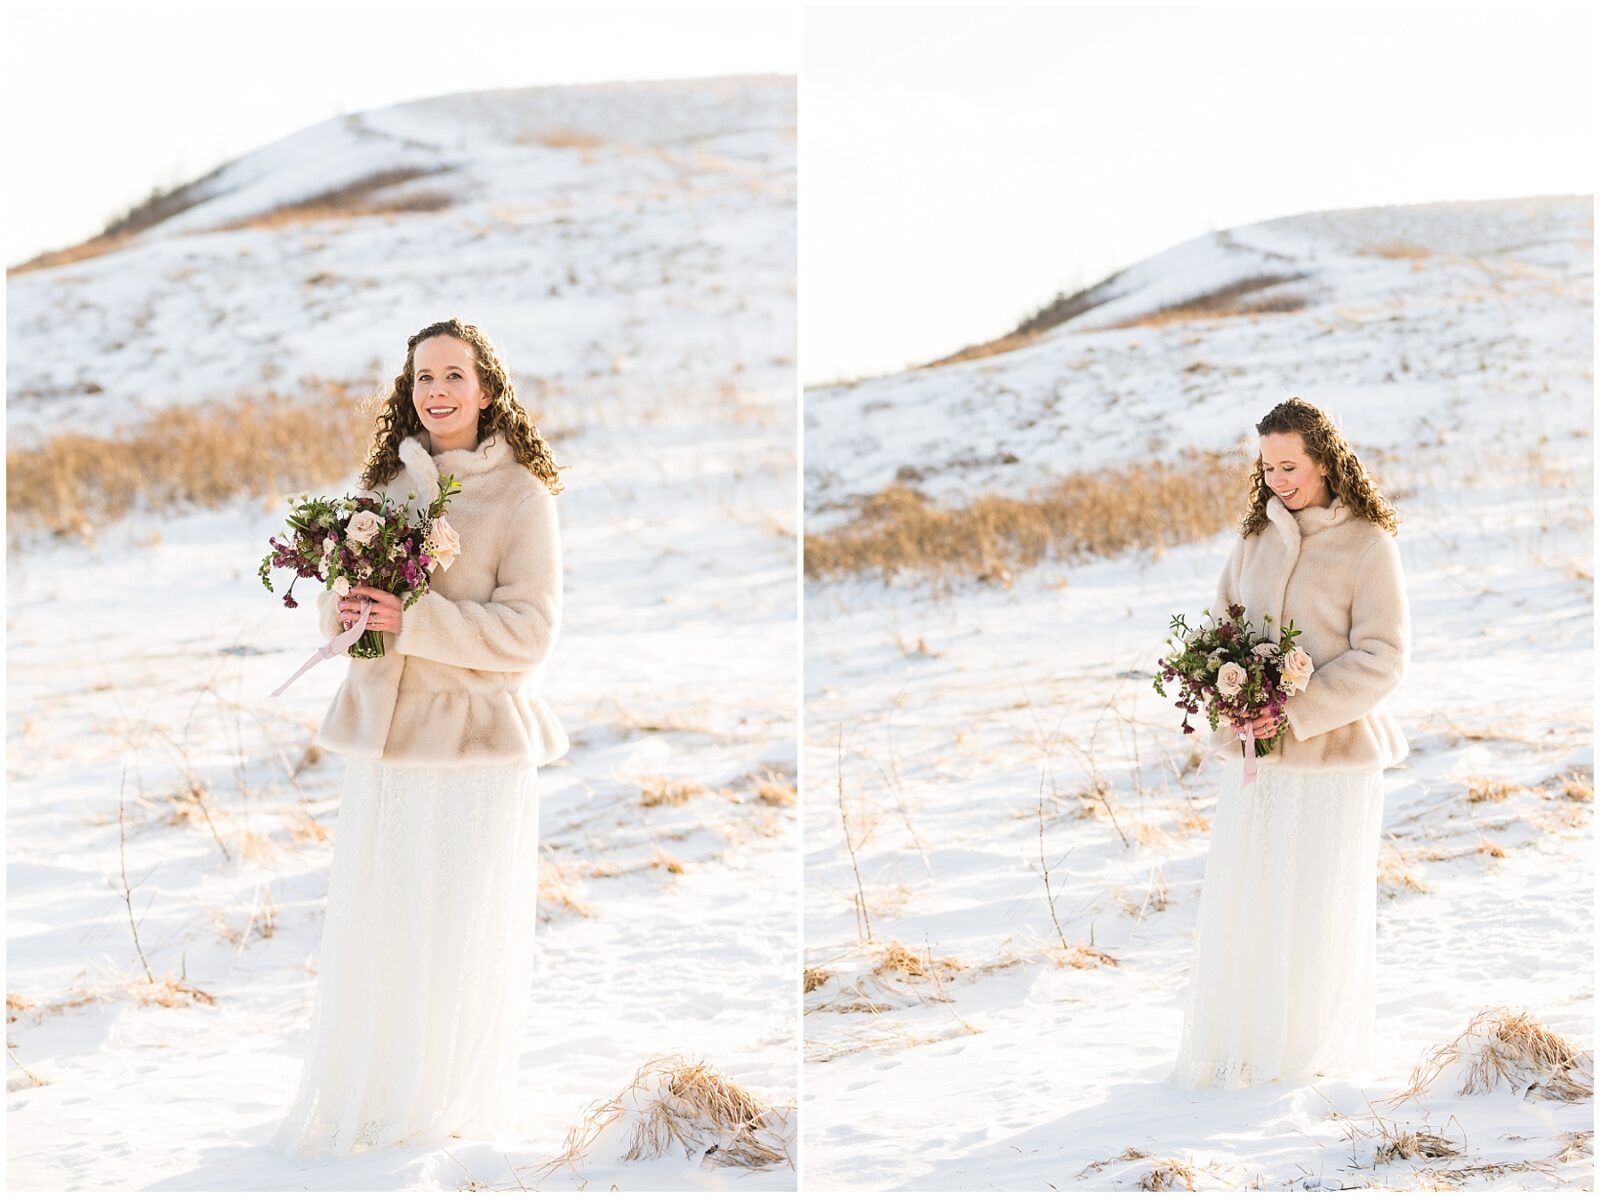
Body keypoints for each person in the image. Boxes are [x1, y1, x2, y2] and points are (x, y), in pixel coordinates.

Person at [271, 318, 569, 1155]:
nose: (435, 391)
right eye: (422, 378)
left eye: (452, 375)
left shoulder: (522, 499)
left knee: (454, 930)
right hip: (387, 747)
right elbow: (342, 616)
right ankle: (373, 1101)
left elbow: (530, 634)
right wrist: (351, 611)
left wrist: (418, 617)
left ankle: (438, 1115)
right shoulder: (381, 490)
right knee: (380, 923)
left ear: (485, 389)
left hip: (474, 748)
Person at [1171, 396, 1410, 1089]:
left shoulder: (1369, 544)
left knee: (1314, 906)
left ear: (1325, 461)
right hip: (1258, 765)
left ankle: (1305, 1056)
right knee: (1254, 900)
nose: (1278, 479)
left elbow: (1384, 657)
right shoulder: (1252, 541)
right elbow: (1219, 637)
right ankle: (1248, 1045)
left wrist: (1293, 711)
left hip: (1332, 761)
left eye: (1290, 465)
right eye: (1268, 466)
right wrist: (1230, 699)